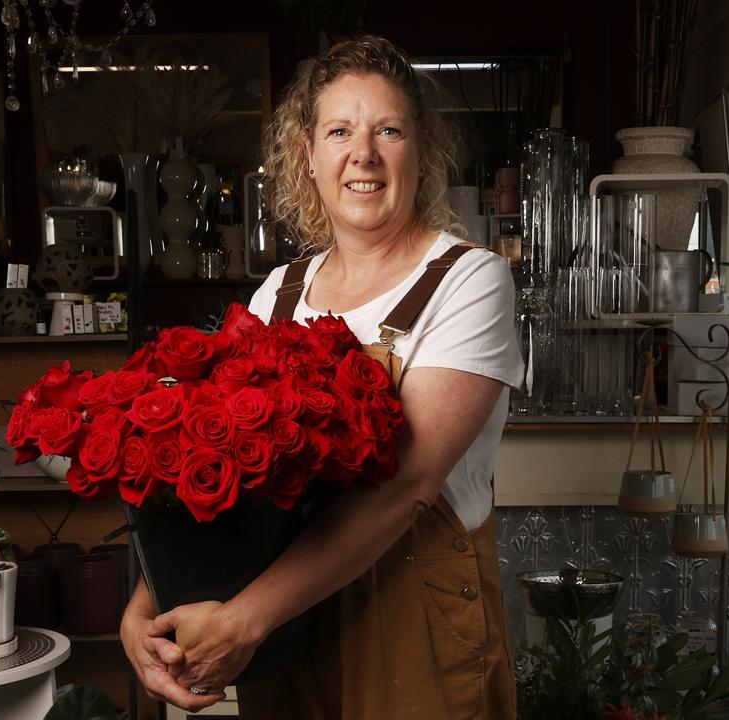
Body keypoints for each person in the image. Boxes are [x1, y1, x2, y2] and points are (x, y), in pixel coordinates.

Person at [119, 34, 524, 718]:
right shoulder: (278, 294)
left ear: (420, 153)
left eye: (387, 130)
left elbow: (409, 486)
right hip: (289, 632)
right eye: (339, 131)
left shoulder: (470, 280)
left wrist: (244, 620)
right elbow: (208, 467)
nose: (362, 155)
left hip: (411, 617)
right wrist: (145, 606)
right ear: (306, 155)